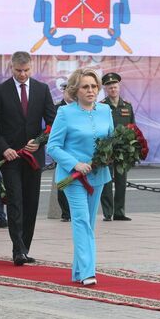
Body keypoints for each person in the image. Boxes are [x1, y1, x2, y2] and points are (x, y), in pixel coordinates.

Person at [0, 51, 55, 266]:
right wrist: (4, 148)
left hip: (33, 157)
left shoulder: (42, 90)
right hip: (11, 157)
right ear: (11, 68)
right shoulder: (0, 91)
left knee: (31, 203)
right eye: (18, 71)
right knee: (15, 201)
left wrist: (41, 140)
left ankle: (25, 247)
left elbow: (52, 122)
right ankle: (18, 249)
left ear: (31, 68)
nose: (22, 74)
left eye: (26, 71)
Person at [47, 68, 113, 286]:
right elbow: (53, 146)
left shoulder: (105, 111)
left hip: (98, 176)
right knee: (81, 221)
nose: (91, 90)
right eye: (86, 86)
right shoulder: (65, 113)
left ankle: (78, 271)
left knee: (89, 224)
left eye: (94, 86)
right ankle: (88, 272)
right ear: (76, 89)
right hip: (73, 177)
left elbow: (112, 141)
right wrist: (75, 164)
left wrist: (114, 155)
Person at [99, 72, 135, 221]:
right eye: (109, 87)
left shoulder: (127, 105)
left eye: (115, 86)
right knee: (106, 181)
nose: (113, 89)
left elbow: (133, 127)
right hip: (106, 149)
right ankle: (108, 213)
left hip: (123, 150)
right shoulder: (100, 106)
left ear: (119, 87)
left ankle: (119, 212)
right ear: (106, 89)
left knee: (121, 181)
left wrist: (133, 145)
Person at [54, 78, 72, 222]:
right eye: (67, 90)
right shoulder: (56, 108)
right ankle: (65, 212)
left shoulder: (80, 108)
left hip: (75, 150)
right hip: (61, 149)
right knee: (63, 179)